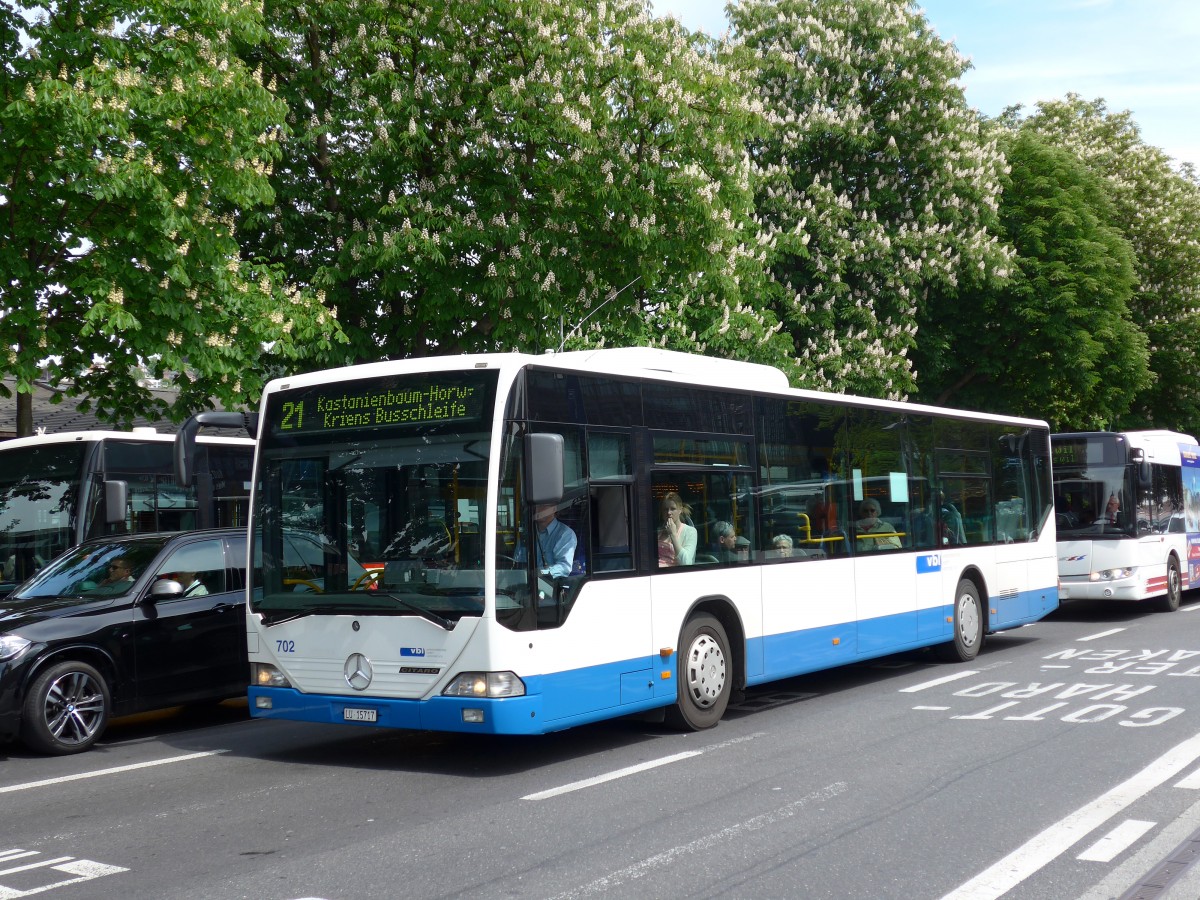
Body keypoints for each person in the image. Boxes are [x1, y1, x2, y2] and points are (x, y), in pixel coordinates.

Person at [515, 502, 577, 578]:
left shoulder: (564, 533)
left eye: (542, 505)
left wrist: (541, 572)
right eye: (535, 505)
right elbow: (517, 561)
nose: (537, 509)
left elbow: (564, 567)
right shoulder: (527, 534)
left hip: (550, 583)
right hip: (525, 581)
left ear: (554, 509)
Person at [658, 492, 697, 567]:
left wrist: (673, 535)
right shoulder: (658, 532)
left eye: (673, 509)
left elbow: (686, 562)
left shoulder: (690, 531)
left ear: (680, 510)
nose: (669, 512)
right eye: (665, 509)